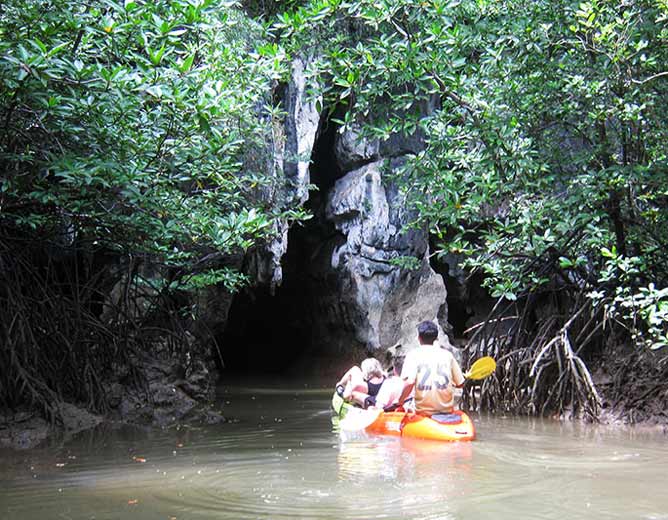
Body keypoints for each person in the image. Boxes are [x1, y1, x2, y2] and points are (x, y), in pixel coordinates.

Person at [399, 320, 464, 416]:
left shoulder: (413, 355)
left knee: (408, 403)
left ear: (419, 338)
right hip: (446, 411)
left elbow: (409, 383)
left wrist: (399, 402)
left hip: (423, 412)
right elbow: (460, 384)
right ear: (436, 338)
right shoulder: (447, 355)